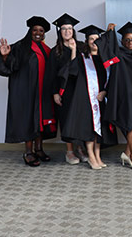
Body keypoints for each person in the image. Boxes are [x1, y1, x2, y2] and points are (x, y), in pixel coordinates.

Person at [0, 16, 56, 166]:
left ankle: (39, 149)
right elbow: (10, 67)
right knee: (29, 120)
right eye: (35, 30)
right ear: (30, 31)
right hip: (27, 92)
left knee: (40, 121)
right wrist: (5, 56)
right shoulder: (21, 47)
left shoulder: (47, 50)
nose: (38, 33)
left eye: (41, 30)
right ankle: (28, 152)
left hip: (42, 92)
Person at [59, 25, 118, 169]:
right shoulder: (82, 58)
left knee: (100, 129)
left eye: (96, 39)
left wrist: (105, 92)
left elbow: (112, 79)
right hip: (86, 99)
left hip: (100, 98)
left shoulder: (105, 60)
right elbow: (72, 72)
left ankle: (98, 156)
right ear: (87, 41)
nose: (94, 41)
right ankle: (91, 156)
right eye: (91, 39)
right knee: (90, 129)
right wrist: (73, 50)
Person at [95, 21, 132, 171]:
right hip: (125, 96)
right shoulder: (118, 54)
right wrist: (108, 33)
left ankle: (127, 153)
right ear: (122, 41)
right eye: (127, 40)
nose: (130, 42)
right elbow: (106, 48)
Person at [45, 13, 88, 165]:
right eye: (64, 29)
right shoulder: (55, 51)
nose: (67, 31)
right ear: (59, 32)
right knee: (67, 120)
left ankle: (81, 149)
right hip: (64, 90)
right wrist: (55, 93)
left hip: (80, 89)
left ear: (73, 31)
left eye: (69, 28)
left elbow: (80, 69)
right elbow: (51, 75)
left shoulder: (82, 46)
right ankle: (69, 152)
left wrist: (75, 50)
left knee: (80, 119)